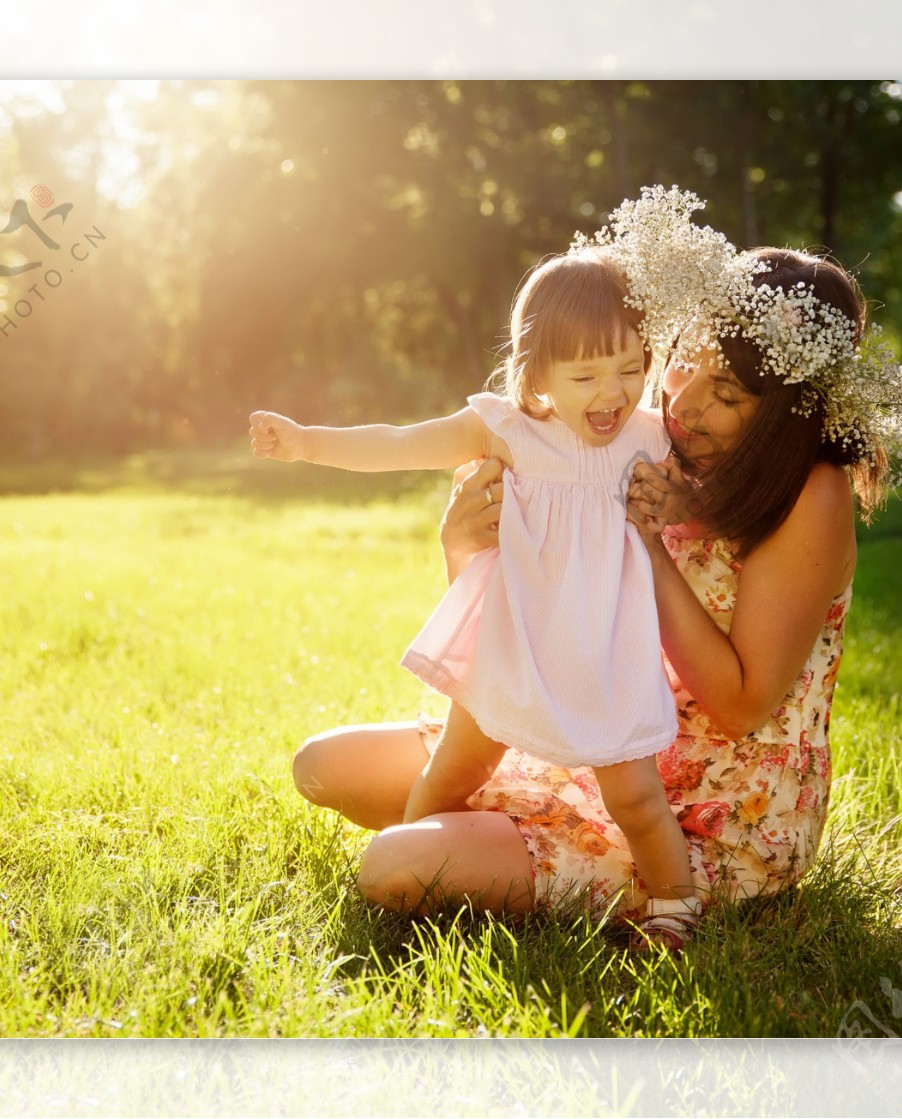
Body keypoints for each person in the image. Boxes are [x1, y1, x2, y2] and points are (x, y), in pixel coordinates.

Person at [289, 190, 902, 936]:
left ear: (787, 408)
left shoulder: (813, 493)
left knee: (392, 865)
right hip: (581, 725)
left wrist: (650, 548)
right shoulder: (646, 440)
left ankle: (640, 887)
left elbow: (740, 703)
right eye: (681, 363)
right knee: (323, 764)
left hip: (707, 806)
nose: (684, 400)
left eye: (728, 392)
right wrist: (465, 546)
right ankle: (481, 828)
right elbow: (537, 613)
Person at [250, 248, 703, 948]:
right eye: (584, 374)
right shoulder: (507, 428)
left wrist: (675, 496)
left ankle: (675, 907)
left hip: (603, 654)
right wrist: (307, 442)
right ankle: (403, 857)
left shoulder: (649, 437)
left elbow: (705, 501)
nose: (611, 392)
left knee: (635, 795)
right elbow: (401, 442)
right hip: (512, 644)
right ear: (537, 375)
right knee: (451, 769)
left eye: (629, 369)